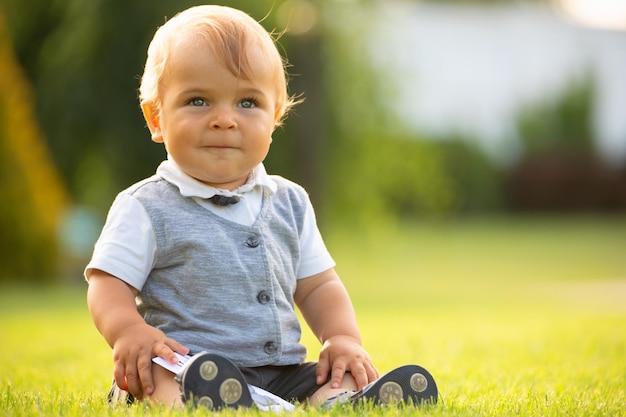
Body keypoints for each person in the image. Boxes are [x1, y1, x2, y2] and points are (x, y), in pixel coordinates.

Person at [85, 4, 438, 410]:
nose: (224, 119)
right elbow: (107, 283)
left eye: (247, 103)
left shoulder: (290, 202)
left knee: (326, 378)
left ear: (275, 116)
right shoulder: (146, 206)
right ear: (156, 118)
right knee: (163, 374)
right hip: (187, 362)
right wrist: (129, 330)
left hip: (282, 371)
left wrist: (342, 339)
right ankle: (207, 400)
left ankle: (346, 400)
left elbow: (319, 285)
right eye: (198, 101)